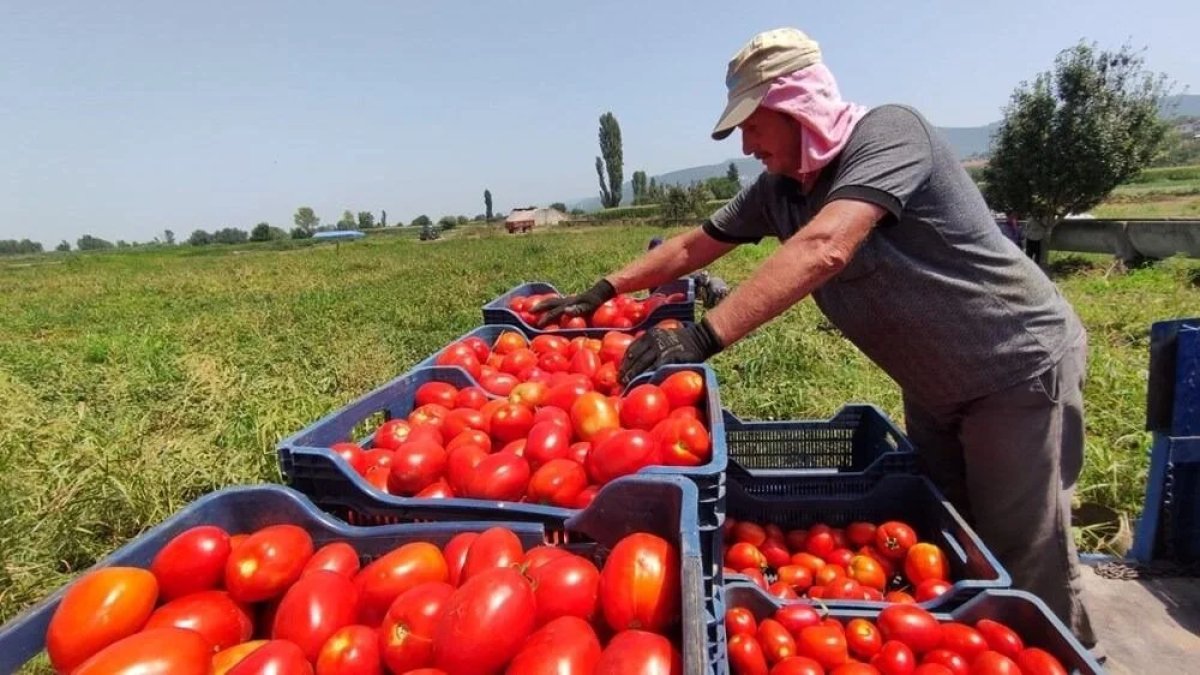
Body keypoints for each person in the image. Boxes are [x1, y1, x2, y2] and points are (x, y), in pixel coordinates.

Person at [533, 27, 1099, 654]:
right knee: (955, 541)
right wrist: (603, 288)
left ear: (797, 104)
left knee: (1024, 552)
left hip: (1013, 366)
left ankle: (1073, 657)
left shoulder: (888, 135)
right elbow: (697, 245)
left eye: (753, 125)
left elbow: (826, 245)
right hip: (936, 385)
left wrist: (702, 337)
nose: (747, 146)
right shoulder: (781, 191)